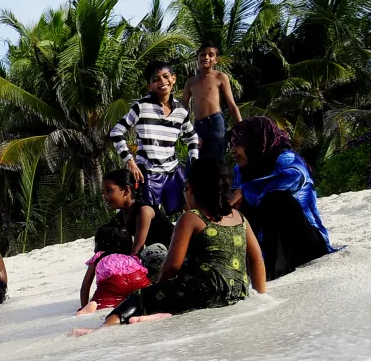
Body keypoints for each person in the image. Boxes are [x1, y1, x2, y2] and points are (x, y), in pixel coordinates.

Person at [102, 158, 267, 327]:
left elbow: (172, 266)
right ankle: (158, 313)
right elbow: (256, 259)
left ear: (191, 188)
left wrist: (157, 289)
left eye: (185, 187)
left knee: (138, 298)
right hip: (237, 292)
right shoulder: (239, 217)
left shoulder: (190, 217)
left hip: (204, 293)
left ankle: (105, 327)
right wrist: (261, 297)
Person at [230, 116, 335, 280]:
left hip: (306, 243)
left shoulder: (286, 158)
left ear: (256, 141)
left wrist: (248, 188)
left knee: (277, 199)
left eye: (238, 144)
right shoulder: (240, 170)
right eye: (232, 144)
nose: (232, 150)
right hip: (266, 246)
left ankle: (274, 269)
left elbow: (296, 177)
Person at [110, 60, 200, 214]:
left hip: (172, 170)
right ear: (149, 86)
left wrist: (194, 160)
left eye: (166, 77)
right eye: (156, 79)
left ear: (174, 78)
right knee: (148, 213)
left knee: (190, 206)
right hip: (148, 171)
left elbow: (192, 137)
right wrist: (130, 161)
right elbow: (116, 132)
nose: (162, 82)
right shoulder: (141, 107)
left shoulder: (181, 111)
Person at [101, 169, 175, 278]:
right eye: (103, 192)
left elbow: (136, 252)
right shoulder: (121, 216)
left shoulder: (144, 211)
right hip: (159, 256)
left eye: (109, 191)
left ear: (126, 190)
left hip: (174, 256)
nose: (105, 196)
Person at [182, 41, 242, 160]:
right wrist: (189, 132)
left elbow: (232, 105)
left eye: (211, 55)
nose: (206, 57)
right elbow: (183, 109)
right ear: (197, 57)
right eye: (203, 54)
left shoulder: (220, 77)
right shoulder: (191, 82)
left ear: (216, 60)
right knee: (194, 163)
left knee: (216, 163)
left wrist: (242, 127)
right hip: (197, 126)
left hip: (215, 123)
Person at [77, 225, 152, 315]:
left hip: (113, 282)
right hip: (138, 278)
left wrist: (83, 305)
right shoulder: (131, 257)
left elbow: (86, 285)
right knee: (144, 299)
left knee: (104, 305)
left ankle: (95, 306)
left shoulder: (99, 256)